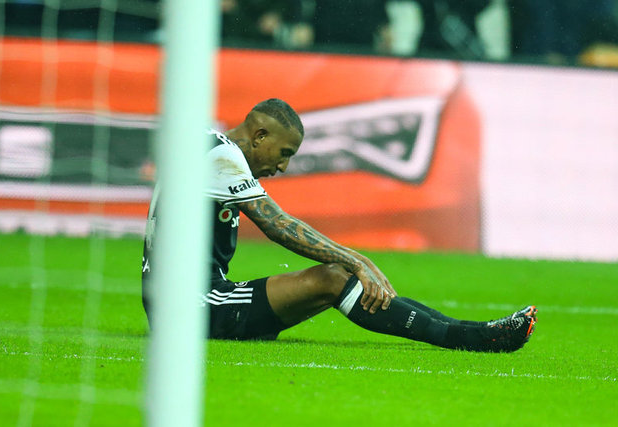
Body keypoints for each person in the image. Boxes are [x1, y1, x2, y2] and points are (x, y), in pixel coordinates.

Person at [141, 98, 537, 352]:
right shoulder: (220, 157)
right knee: (333, 278)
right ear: (259, 135)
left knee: (334, 278)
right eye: (283, 153)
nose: (283, 166)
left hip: (191, 299)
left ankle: (468, 331)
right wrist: (356, 259)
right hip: (190, 308)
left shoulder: (207, 146)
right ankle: (470, 337)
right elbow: (278, 225)